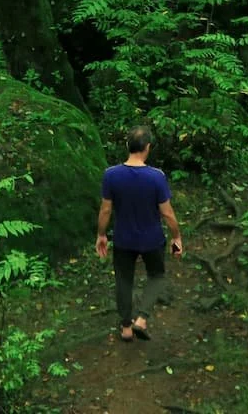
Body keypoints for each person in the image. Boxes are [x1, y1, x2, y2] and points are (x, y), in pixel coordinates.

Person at [96, 125, 183, 342]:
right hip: (152, 239)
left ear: (128, 145)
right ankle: (142, 318)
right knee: (157, 276)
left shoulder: (111, 175)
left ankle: (126, 327)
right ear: (148, 147)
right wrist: (176, 237)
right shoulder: (156, 177)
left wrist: (101, 235)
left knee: (124, 280)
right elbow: (167, 213)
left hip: (123, 239)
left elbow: (106, 210)